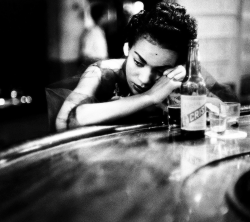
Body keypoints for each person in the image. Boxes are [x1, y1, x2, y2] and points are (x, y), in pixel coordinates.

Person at [47, 2, 238, 132]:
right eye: (138, 62)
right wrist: (150, 97)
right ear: (126, 48)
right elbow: (66, 121)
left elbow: (227, 112)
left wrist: (187, 96)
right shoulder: (101, 73)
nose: (145, 78)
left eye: (160, 70)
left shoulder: (179, 77)